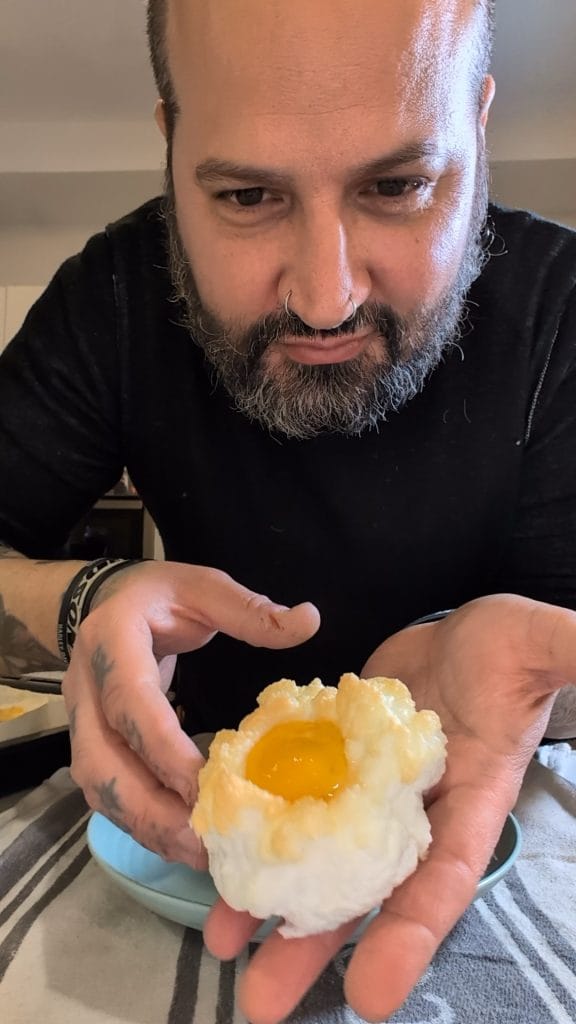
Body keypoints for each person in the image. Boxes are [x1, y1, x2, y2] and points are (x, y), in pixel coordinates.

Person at [1, 0, 575, 1020]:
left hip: (498, 852)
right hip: (183, 855)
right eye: (248, 194)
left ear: (478, 132)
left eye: (399, 186)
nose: (324, 295)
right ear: (172, 144)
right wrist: (86, 596)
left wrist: (534, 691)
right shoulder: (116, 299)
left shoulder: (565, 315)